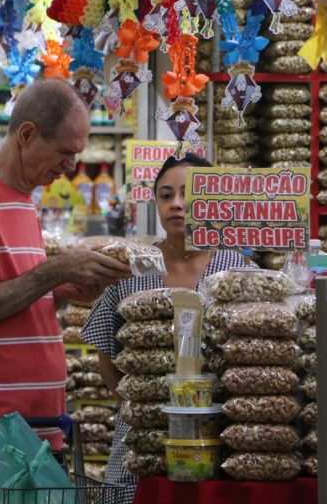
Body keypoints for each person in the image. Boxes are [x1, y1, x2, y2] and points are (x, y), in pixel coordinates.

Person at [0, 79, 132, 496]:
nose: (72, 167)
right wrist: (53, 272)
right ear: (26, 135)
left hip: (39, 427)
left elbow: (9, 302)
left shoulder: (25, 201)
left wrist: (60, 291)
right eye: (65, 153)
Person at [80, 153, 253, 503]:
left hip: (219, 433)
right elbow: (105, 351)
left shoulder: (239, 269)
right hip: (144, 438)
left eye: (189, 194)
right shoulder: (132, 265)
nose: (176, 204)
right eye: (166, 195)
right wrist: (138, 409)